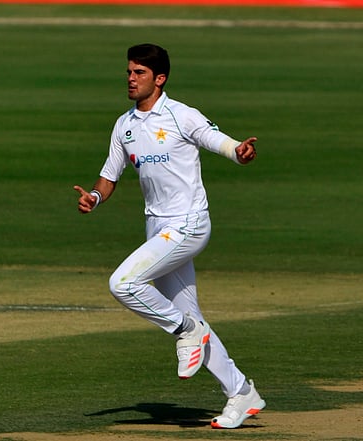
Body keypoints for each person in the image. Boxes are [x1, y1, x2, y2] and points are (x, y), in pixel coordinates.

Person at [73, 43, 265, 430]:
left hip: (189, 223)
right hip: (157, 228)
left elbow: (218, 141)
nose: (131, 78)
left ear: (159, 79)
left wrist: (239, 152)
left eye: (139, 73)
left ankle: (184, 330)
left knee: (123, 283)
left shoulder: (181, 115)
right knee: (191, 314)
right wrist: (94, 197)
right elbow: (109, 176)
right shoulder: (124, 124)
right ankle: (241, 392)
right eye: (129, 71)